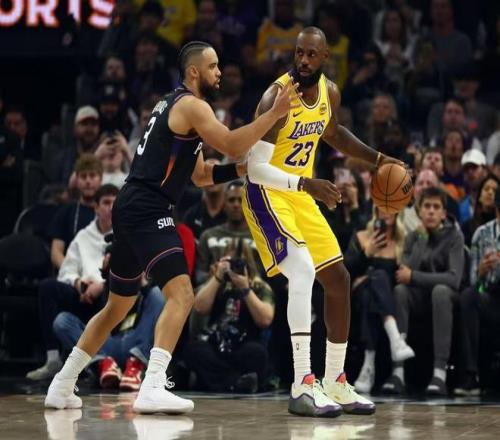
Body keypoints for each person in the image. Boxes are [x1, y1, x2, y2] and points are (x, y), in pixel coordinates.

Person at [44, 40, 298, 414]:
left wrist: (241, 169)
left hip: (132, 204)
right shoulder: (193, 106)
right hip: (148, 207)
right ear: (194, 71)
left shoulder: (173, 106)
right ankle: (153, 385)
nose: (219, 73)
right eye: (212, 66)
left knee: (117, 306)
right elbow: (231, 143)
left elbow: (200, 175)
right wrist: (274, 115)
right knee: (182, 295)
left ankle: (62, 384)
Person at [243, 27, 403, 417]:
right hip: (267, 193)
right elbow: (254, 168)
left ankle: (335, 380)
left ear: (325, 56)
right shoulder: (275, 98)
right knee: (302, 269)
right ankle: (302, 383)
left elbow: (332, 133)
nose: (303, 60)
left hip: (300, 194)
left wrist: (378, 159)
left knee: (338, 279)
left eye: (311, 54)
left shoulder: (330, 93)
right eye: (299, 53)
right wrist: (306, 184)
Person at [26, 185, 118, 381]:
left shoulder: (126, 234)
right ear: (96, 208)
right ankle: (53, 359)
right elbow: (67, 270)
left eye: (114, 203)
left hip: (110, 296)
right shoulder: (83, 235)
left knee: (115, 290)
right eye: (106, 203)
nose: (110, 208)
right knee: (48, 287)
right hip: (84, 296)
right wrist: (79, 284)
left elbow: (134, 275)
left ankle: (101, 361)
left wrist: (101, 285)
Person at [382, 187, 464, 396]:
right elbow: (403, 274)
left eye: (436, 207)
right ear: (419, 211)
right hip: (419, 298)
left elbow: (454, 279)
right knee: (400, 291)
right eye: (427, 206)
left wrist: (415, 277)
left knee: (440, 291)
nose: (431, 211)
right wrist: (421, 240)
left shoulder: (454, 236)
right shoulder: (413, 237)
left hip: (446, 299)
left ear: (444, 213)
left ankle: (439, 374)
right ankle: (398, 372)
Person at [184, 238, 275, 393]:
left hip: (244, 345)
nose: (234, 267)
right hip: (216, 344)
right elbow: (199, 307)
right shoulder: (217, 282)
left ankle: (216, 380)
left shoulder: (259, 286)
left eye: (239, 263)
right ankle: (236, 382)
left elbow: (265, 319)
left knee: (258, 353)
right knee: (193, 350)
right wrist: (217, 277)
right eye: (230, 262)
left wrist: (246, 289)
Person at [344, 208, 413, 393]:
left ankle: (368, 366)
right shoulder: (361, 237)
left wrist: (369, 276)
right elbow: (344, 271)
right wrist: (366, 253)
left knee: (373, 290)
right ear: (375, 209)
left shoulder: (403, 241)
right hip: (356, 297)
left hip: (383, 300)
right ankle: (395, 339)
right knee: (377, 278)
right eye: (382, 206)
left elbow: (402, 278)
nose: (386, 211)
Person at [456, 187, 500, 396]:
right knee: (468, 296)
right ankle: (471, 375)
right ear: (497, 209)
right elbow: (474, 282)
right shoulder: (481, 234)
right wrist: (481, 272)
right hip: (491, 297)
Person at [49, 154, 102, 269]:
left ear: (100, 179)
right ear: (77, 180)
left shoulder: (108, 213)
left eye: (92, 176)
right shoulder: (65, 212)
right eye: (83, 176)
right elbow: (56, 252)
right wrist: (71, 272)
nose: (88, 181)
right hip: (71, 270)